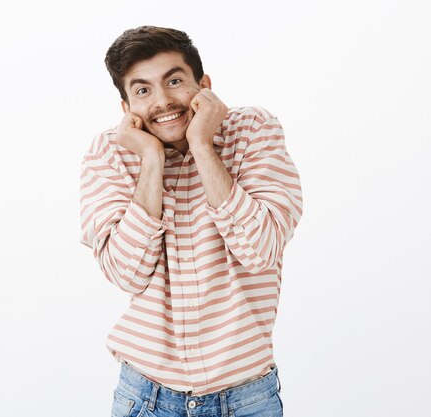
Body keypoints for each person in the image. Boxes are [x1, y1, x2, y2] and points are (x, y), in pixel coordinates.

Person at [79, 26, 303, 417]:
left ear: (204, 85)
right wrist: (152, 160)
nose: (163, 101)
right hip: (146, 397)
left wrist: (202, 144)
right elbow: (126, 274)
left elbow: (260, 249)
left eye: (175, 81)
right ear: (126, 107)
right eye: (143, 90)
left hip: (247, 399)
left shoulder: (252, 131)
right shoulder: (110, 153)